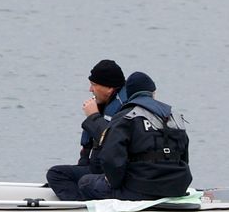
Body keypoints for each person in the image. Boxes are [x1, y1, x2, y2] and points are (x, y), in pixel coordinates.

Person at [79, 71, 192, 202]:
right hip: (177, 188)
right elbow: (184, 158)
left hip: (141, 189)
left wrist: (115, 185)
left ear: (129, 94)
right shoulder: (174, 116)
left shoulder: (126, 116)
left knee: (85, 182)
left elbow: (111, 158)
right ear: (153, 93)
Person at [45, 59, 126, 200]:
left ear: (109, 88)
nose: (90, 90)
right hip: (95, 168)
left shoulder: (123, 110)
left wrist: (93, 116)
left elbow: (112, 140)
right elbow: (88, 146)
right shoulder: (103, 105)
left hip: (109, 174)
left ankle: (80, 207)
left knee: (55, 174)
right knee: (59, 173)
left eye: (94, 85)